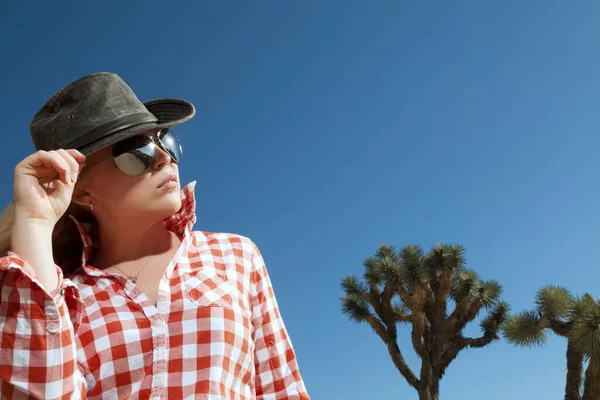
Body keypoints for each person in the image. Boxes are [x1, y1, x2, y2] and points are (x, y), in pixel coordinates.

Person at [0, 72, 309, 400]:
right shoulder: (69, 297)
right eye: (136, 151)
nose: (164, 158)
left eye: (165, 140)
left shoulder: (236, 255)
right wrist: (33, 221)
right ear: (80, 189)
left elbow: (281, 388)